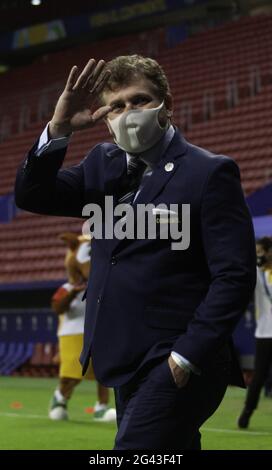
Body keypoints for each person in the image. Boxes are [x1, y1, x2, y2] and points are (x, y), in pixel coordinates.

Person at [15, 55, 256, 449]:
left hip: (176, 358)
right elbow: (32, 194)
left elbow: (234, 274)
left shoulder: (209, 173)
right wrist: (58, 128)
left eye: (139, 100)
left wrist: (185, 357)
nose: (128, 112)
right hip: (122, 359)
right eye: (117, 105)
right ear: (105, 116)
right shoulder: (101, 164)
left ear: (166, 104)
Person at [49, 232, 116, 423]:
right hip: (71, 334)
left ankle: (101, 407)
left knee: (102, 372)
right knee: (72, 374)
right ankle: (60, 399)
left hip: (97, 332)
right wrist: (73, 293)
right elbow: (57, 307)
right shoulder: (67, 288)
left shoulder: (100, 286)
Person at [238, 237, 272, 429]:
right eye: (256, 252)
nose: (258, 256)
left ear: (269, 251)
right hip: (264, 333)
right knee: (258, 376)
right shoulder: (257, 274)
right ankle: (246, 413)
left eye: (260, 252)